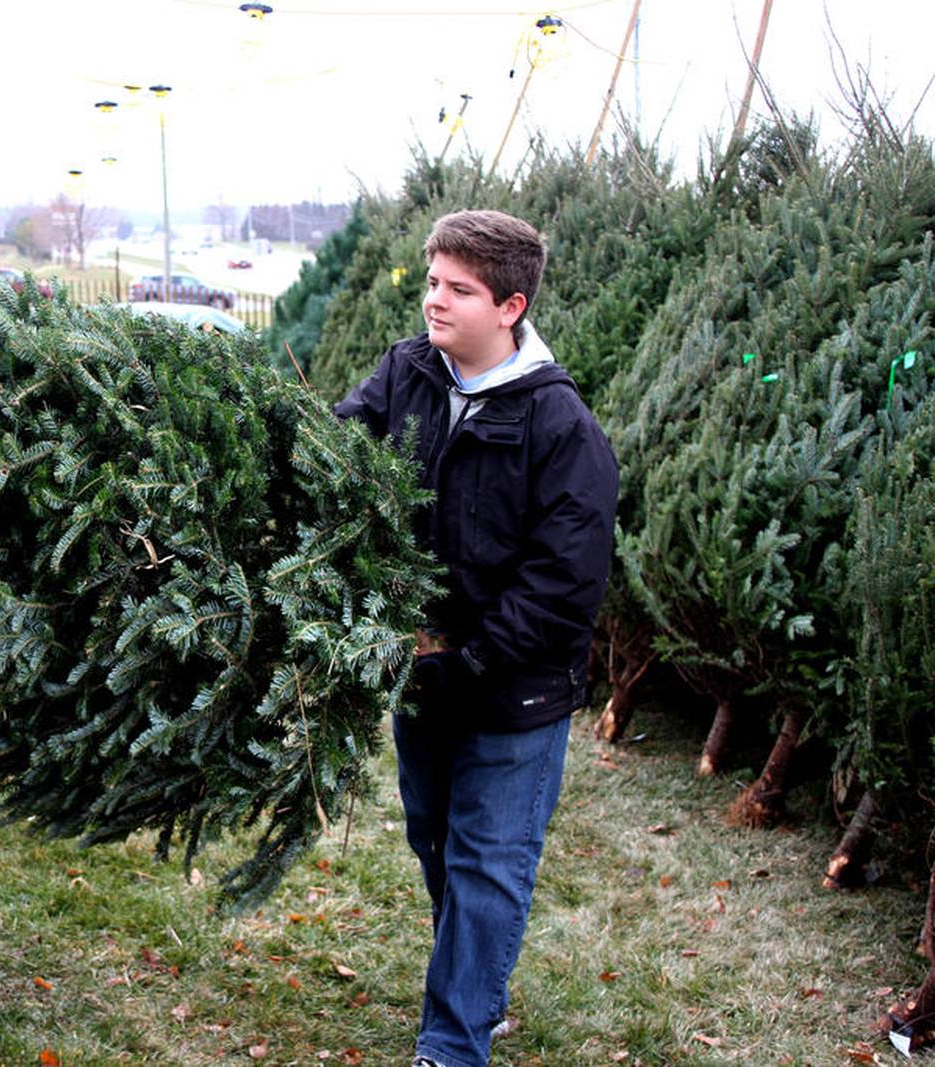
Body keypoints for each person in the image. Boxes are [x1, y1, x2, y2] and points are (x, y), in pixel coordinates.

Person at [333, 210, 618, 1067]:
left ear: (511, 305)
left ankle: (452, 1044)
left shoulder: (561, 428)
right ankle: (478, 991)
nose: (435, 301)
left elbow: (563, 585)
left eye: (459, 289)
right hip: (425, 672)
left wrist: (471, 663)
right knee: (436, 838)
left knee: (491, 860)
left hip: (514, 688)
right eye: (431, 282)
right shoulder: (408, 371)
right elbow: (342, 450)